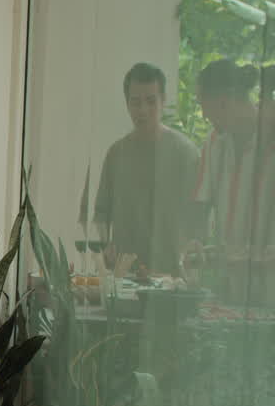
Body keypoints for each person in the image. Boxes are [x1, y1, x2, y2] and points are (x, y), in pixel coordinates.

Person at [92, 62, 200, 273]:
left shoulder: (185, 153)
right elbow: (101, 211)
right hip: (125, 274)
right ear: (127, 104)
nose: (143, 110)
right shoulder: (117, 153)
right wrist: (106, 246)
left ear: (163, 101)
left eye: (151, 101)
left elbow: (197, 217)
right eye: (136, 102)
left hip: (171, 275)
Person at [193, 60, 266, 303]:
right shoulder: (214, 144)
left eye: (204, 104)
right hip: (230, 280)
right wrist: (196, 240)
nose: (203, 115)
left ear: (224, 100)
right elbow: (200, 206)